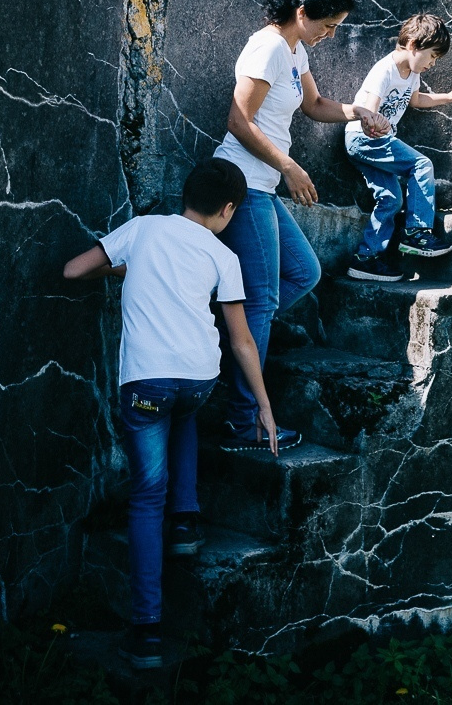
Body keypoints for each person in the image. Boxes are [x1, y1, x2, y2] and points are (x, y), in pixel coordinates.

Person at [60, 157, 275, 671]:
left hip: (146, 382)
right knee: (184, 413)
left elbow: (73, 269)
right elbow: (242, 339)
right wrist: (265, 408)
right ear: (228, 210)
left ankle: (147, 632)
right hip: (199, 379)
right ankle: (186, 523)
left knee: (144, 495)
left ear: (184, 195)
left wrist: (128, 266)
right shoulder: (224, 257)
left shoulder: (142, 229)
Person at [213, 0, 391, 453]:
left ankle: (235, 332)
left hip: (263, 186)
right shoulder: (266, 47)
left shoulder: (295, 51)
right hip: (242, 183)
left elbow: (313, 105)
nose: (330, 34)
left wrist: (358, 111)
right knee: (264, 299)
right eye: (329, 24)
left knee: (302, 273)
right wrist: (290, 167)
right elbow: (238, 120)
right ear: (302, 11)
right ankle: (242, 420)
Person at [343, 13, 452, 282]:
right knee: (421, 164)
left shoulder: (411, 73)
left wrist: (447, 97)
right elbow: (371, 104)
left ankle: (366, 259)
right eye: (432, 56)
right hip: (365, 137)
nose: (432, 64)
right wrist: (372, 123)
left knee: (391, 199)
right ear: (414, 45)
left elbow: (416, 100)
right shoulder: (385, 69)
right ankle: (417, 232)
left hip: (368, 142)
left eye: (437, 60)